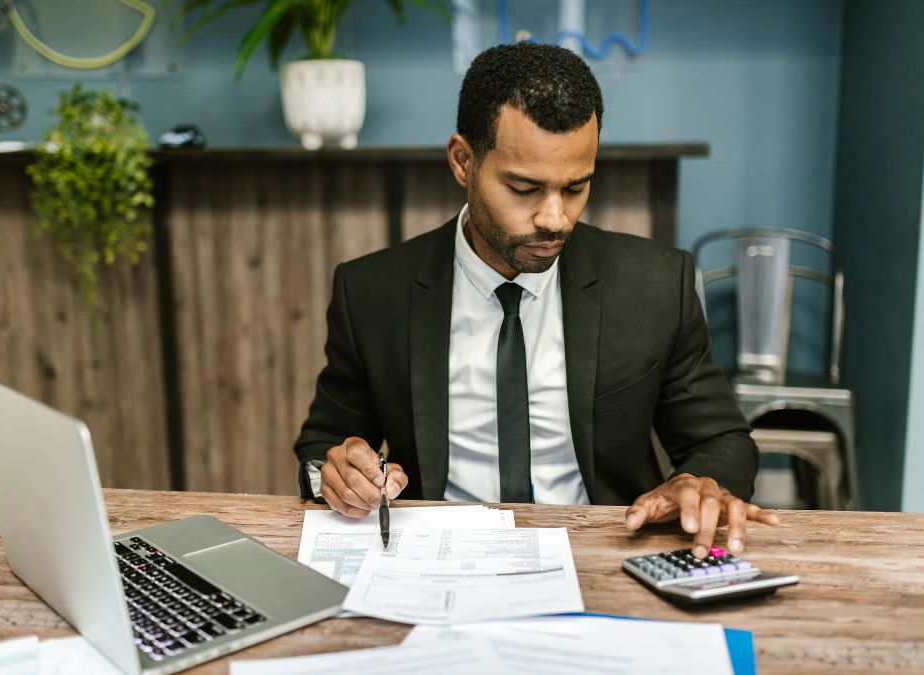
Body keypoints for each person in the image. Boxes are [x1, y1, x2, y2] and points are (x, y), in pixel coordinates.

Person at [295, 43, 778, 559]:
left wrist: (700, 481)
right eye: (524, 188)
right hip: (435, 558)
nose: (555, 218)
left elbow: (723, 440)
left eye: (575, 187)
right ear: (463, 161)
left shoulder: (657, 284)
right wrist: (336, 475)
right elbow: (323, 446)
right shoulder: (372, 291)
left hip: (607, 553)